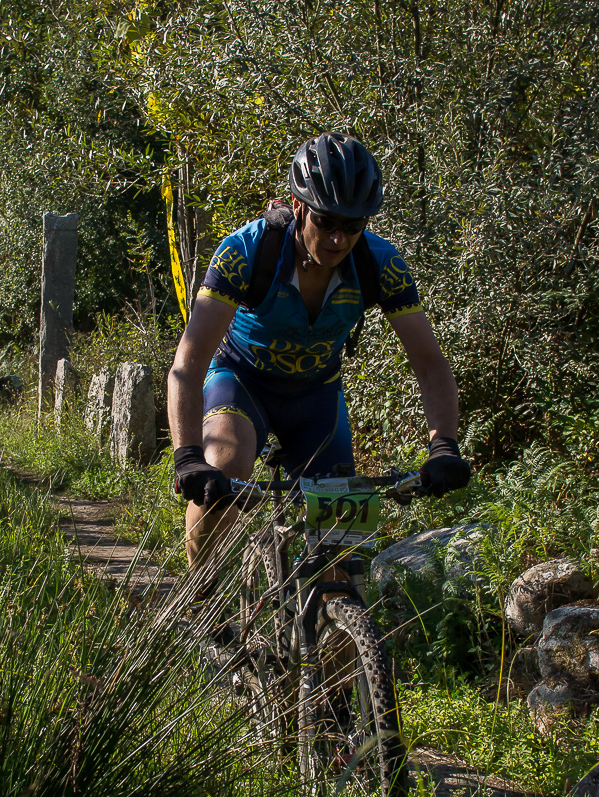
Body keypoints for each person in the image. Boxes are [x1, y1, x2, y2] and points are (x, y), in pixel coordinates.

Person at [167, 133, 471, 565]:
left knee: (340, 552)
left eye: (352, 225)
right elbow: (190, 359)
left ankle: (331, 602)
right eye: (326, 222)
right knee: (225, 464)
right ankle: (201, 591)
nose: (338, 239)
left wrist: (444, 446)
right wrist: (188, 457)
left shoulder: (380, 264)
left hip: (316, 396)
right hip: (242, 382)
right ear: (298, 207)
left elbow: (429, 364)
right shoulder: (246, 252)